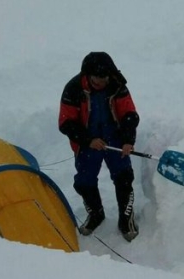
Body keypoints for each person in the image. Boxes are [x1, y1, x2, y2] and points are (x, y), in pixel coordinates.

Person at [58, 51, 140, 242]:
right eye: (97, 80)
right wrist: (88, 140)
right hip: (88, 142)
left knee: (124, 177)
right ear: (87, 75)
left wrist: (128, 140)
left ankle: (126, 217)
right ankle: (96, 213)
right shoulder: (73, 89)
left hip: (115, 138)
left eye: (104, 79)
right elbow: (66, 123)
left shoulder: (117, 85)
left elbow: (130, 114)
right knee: (84, 182)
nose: (101, 83)